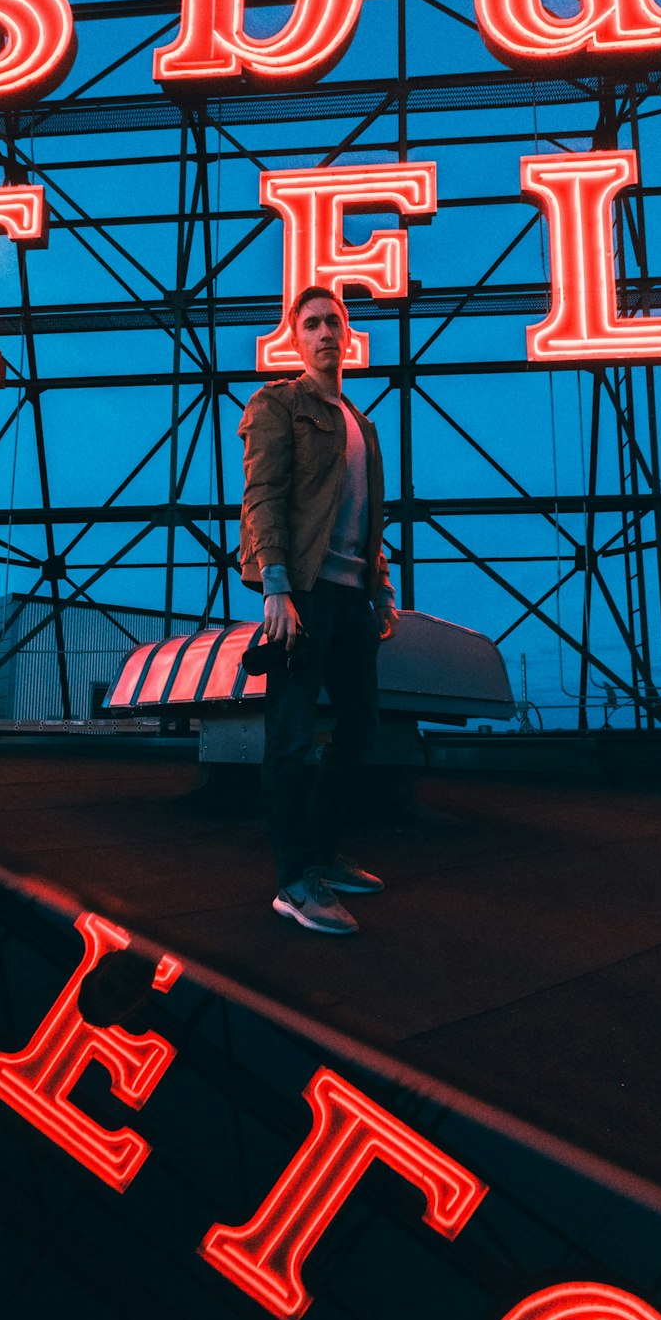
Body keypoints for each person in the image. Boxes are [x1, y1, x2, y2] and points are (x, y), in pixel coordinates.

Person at [238, 286, 399, 935]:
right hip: (302, 593)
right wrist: (275, 586)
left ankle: (322, 856)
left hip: (352, 597)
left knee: (360, 730)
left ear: (348, 332)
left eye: (334, 320)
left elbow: (369, 522)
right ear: (297, 338)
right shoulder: (279, 404)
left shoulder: (363, 426)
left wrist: (381, 590)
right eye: (312, 324)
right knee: (293, 735)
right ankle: (293, 882)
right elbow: (261, 497)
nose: (325, 331)